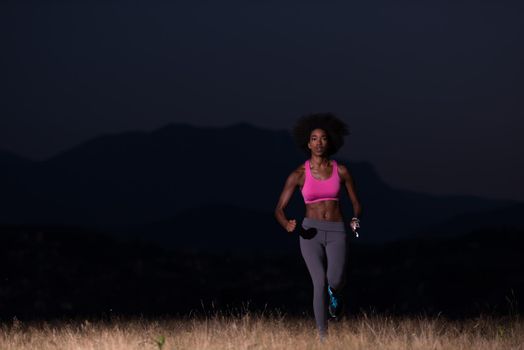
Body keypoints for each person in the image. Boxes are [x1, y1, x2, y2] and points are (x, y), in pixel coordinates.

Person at [274, 113, 362, 339]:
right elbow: (279, 209)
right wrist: (286, 224)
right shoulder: (298, 174)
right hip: (308, 232)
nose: (319, 142)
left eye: (323, 138)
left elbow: (356, 203)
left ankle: (336, 294)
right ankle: (323, 337)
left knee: (335, 279)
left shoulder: (341, 171)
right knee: (319, 282)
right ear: (307, 143)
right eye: (314, 138)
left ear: (330, 142)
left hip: (336, 231)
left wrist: (355, 218)